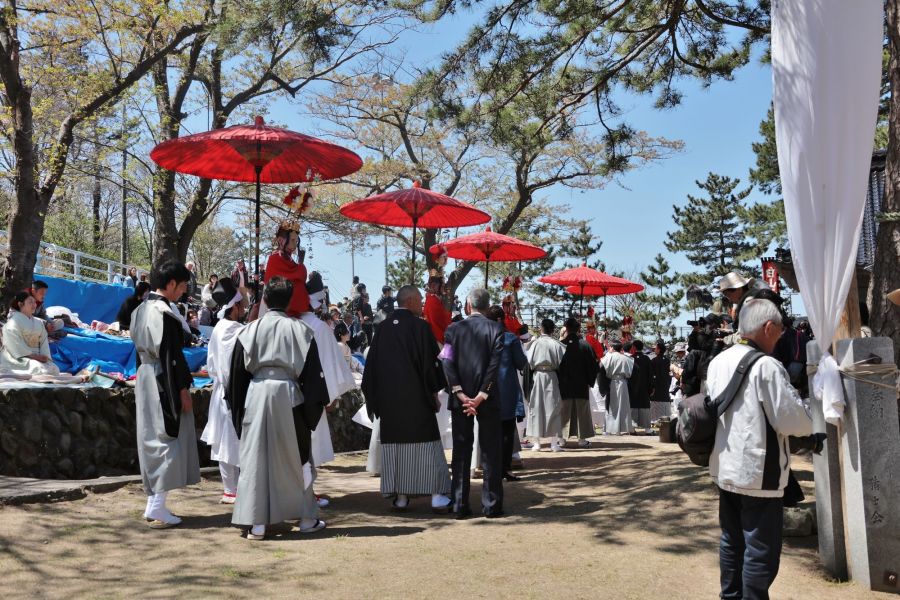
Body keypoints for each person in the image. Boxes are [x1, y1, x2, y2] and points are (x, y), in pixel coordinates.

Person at [708, 297, 813, 599]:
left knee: (732, 540)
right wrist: (812, 420)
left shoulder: (719, 361)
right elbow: (792, 421)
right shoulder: (767, 366)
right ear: (768, 327)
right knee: (761, 550)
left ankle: (730, 596)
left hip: (725, 466)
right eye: (779, 331)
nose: (781, 336)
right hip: (759, 472)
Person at [225, 276, 327, 540]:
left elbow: (235, 378)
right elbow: (314, 377)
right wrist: (310, 415)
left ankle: (256, 524)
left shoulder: (247, 331)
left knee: (256, 459)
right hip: (291, 397)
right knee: (299, 459)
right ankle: (306, 518)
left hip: (257, 396)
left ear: (265, 300)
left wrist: (239, 413)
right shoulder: (302, 331)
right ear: (290, 300)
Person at [362, 285, 452, 512]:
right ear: (410, 301)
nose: (422, 304)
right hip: (417, 400)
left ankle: (400, 496)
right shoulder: (421, 327)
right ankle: (437, 496)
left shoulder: (382, 329)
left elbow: (370, 368)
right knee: (427, 446)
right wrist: (434, 393)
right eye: (420, 300)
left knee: (396, 448)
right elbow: (431, 365)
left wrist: (376, 400)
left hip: (390, 404)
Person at [130, 261, 201, 528]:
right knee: (167, 436)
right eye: (182, 286)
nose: (183, 291)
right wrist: (182, 389)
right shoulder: (165, 314)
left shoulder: (140, 310)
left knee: (151, 437)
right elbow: (172, 356)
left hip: (145, 375)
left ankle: (154, 503)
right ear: (171, 284)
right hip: (163, 379)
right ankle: (157, 505)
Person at [442, 288, 505, 519]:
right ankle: (491, 504)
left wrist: (459, 392)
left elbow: (447, 362)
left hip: (461, 397)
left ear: (468, 305)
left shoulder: (453, 330)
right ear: (488, 307)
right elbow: (494, 365)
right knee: (490, 450)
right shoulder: (497, 329)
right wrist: (482, 395)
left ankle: (459, 503)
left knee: (461, 450)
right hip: (486, 398)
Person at [300, 272, 357, 506]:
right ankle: (307, 493)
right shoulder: (319, 327)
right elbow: (327, 364)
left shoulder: (290, 322)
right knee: (308, 444)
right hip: (313, 393)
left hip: (287, 393)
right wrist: (330, 396)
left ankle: (300, 492)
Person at [200, 277, 245, 504]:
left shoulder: (222, 327)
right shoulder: (231, 329)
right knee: (230, 441)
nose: (244, 308)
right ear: (234, 307)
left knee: (228, 441)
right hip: (229, 391)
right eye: (242, 304)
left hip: (223, 391)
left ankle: (232, 489)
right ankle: (232, 489)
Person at [486, 305, 527, 481]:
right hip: (506, 389)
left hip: (485, 389)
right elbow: (520, 363)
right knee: (506, 431)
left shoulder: (483, 338)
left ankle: (490, 467)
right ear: (502, 319)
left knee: (488, 431)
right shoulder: (510, 338)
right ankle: (504, 469)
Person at [558, 317, 599, 448]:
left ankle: (562, 440)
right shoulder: (585, 345)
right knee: (582, 412)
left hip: (563, 385)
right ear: (578, 329)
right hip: (581, 384)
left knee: (564, 411)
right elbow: (593, 366)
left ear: (566, 328)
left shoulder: (560, 345)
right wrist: (589, 380)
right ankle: (582, 439)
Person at [526, 318, 566, 452]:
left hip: (537, 376)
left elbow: (528, 363)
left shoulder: (534, 343)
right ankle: (553, 444)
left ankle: (537, 443)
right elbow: (563, 364)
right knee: (553, 408)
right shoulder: (557, 344)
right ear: (553, 330)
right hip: (551, 376)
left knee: (536, 408)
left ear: (540, 329)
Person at [1, 292, 61, 375]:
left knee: (54, 369)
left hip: (39, 357)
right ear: (20, 304)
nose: (34, 305)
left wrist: (44, 357)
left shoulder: (39, 322)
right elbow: (14, 344)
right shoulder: (13, 322)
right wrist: (34, 356)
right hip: (19, 357)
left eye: (34, 302)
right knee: (39, 369)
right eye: (30, 302)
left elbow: (43, 340)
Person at [262, 223, 309, 317]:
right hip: (278, 312)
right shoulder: (274, 258)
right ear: (280, 240)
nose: (295, 244)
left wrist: (300, 264)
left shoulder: (293, 262)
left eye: (296, 241)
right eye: (292, 240)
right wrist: (301, 267)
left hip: (297, 313)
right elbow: (277, 285)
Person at [600, 340, 634, 435]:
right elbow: (636, 369)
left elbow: (600, 368)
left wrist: (603, 387)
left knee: (612, 406)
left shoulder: (608, 357)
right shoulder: (626, 358)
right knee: (623, 406)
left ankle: (611, 429)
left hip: (612, 382)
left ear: (612, 348)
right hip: (623, 383)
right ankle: (623, 428)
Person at [627, 340, 652, 430]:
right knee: (644, 406)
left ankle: (632, 428)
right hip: (644, 387)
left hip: (632, 387)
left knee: (632, 406)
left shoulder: (630, 358)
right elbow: (650, 374)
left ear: (633, 347)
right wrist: (651, 387)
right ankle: (647, 429)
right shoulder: (647, 359)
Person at [423, 275, 451, 345]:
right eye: (442, 286)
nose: (443, 289)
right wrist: (449, 315)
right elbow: (439, 321)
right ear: (433, 286)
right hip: (438, 339)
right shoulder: (433, 300)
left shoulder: (432, 299)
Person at [649, 340, 672, 422]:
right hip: (665, 385)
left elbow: (651, 375)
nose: (654, 350)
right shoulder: (667, 360)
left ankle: (654, 420)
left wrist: (652, 386)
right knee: (664, 402)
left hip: (656, 386)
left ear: (658, 349)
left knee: (655, 403)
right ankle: (665, 419)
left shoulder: (653, 361)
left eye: (655, 348)